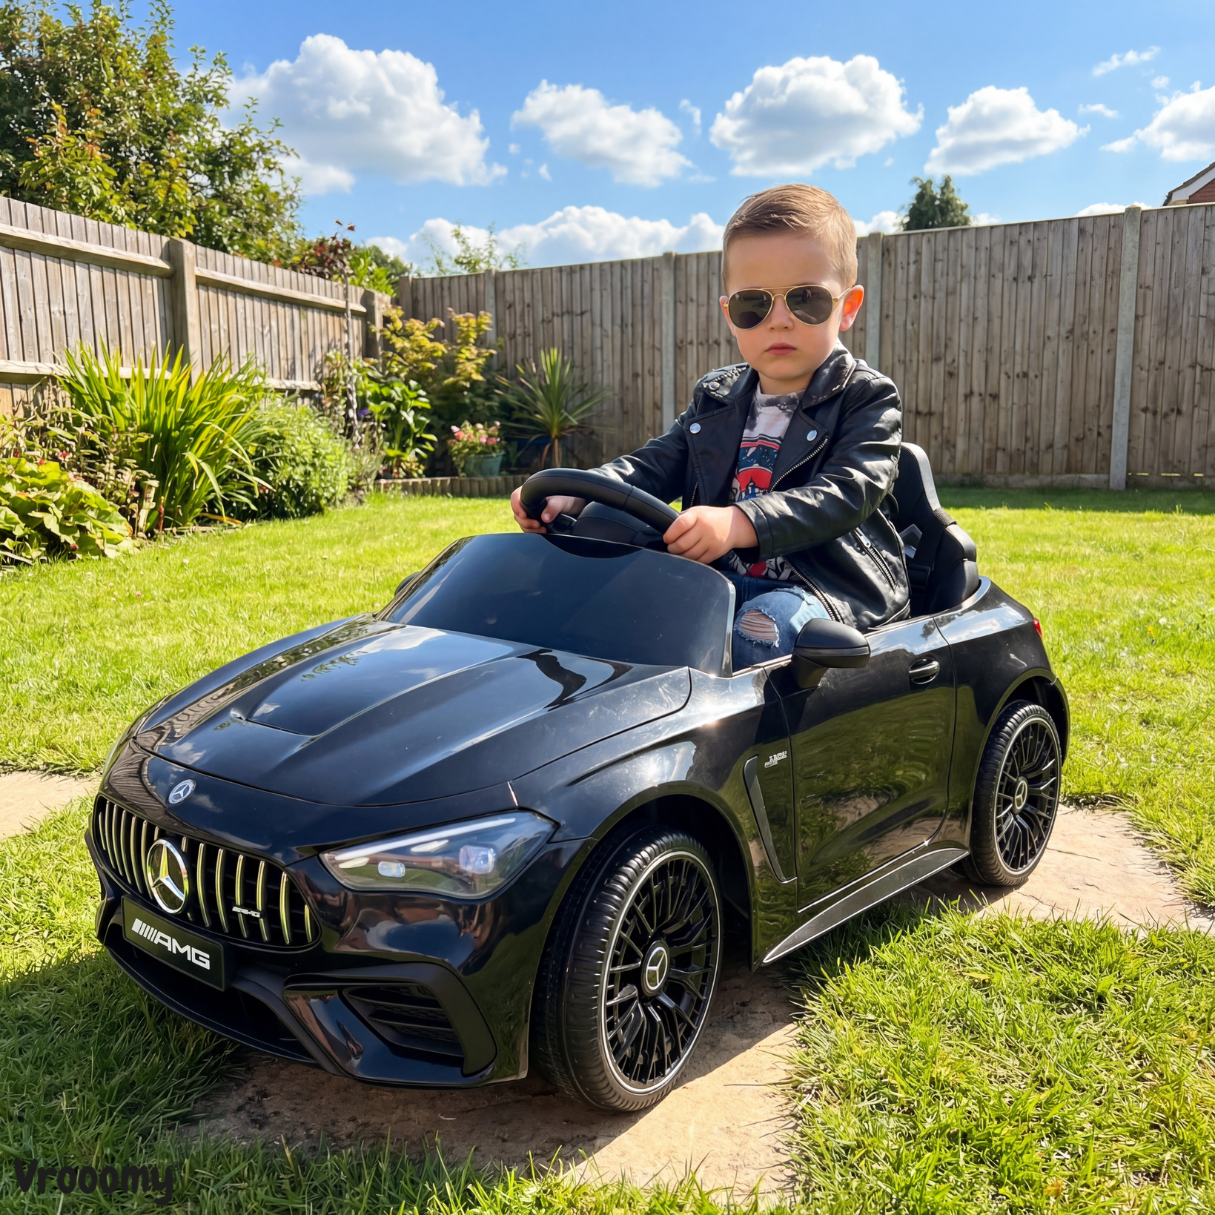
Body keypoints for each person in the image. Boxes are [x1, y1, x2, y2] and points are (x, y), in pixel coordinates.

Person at [510, 183, 910, 671]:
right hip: (715, 581)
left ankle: (744, 745)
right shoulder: (716, 398)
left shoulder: (866, 397)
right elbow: (652, 465)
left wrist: (741, 522)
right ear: (730, 315)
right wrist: (581, 492)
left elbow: (846, 494)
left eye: (806, 300)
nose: (778, 321)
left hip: (824, 591)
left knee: (761, 629)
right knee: (603, 560)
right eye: (753, 305)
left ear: (847, 307)